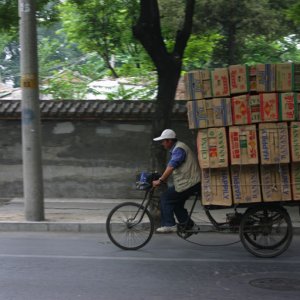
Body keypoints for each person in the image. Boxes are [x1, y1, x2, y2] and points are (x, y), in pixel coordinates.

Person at [152, 129, 201, 233]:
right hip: (190, 182)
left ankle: (169, 224)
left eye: (163, 141)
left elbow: (171, 167)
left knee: (166, 198)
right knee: (177, 203)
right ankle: (189, 225)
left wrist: (160, 180)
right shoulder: (177, 148)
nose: (162, 144)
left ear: (169, 141)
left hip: (189, 182)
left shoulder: (179, 149)